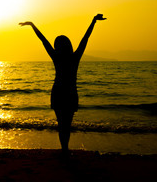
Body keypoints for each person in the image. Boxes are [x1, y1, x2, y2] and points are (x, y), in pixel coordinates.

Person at [19, 14, 106, 155]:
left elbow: (43, 40)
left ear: (58, 47)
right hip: (70, 93)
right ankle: (65, 149)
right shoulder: (74, 57)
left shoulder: (57, 57)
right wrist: (93, 22)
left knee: (62, 124)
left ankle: (64, 149)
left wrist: (32, 25)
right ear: (69, 45)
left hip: (59, 92)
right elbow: (85, 38)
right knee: (67, 125)